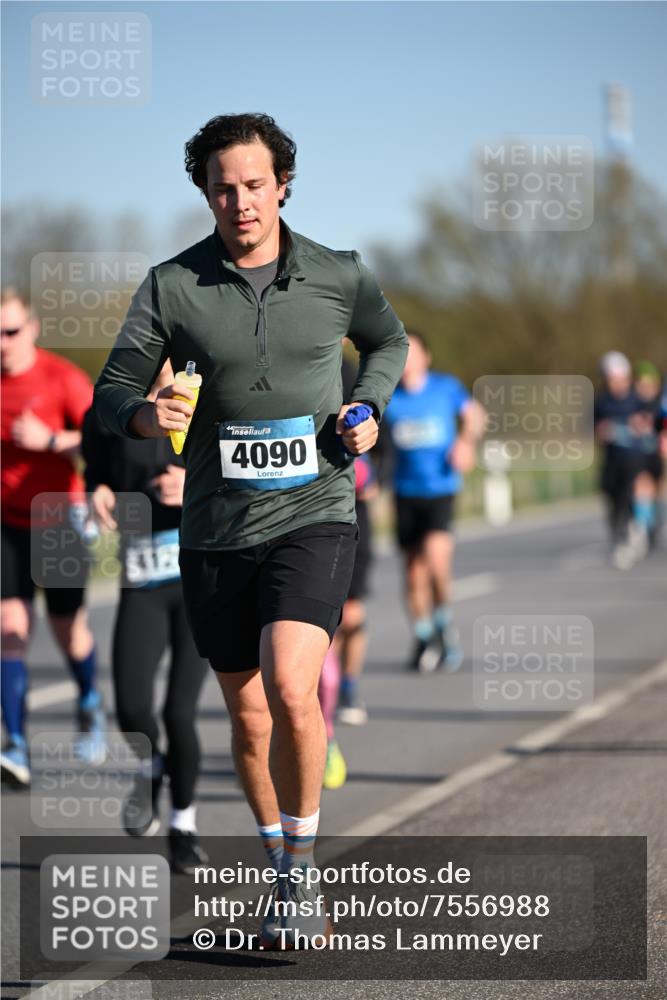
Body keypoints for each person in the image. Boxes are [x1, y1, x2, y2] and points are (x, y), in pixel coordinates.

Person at [92, 113, 408, 946]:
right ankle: (279, 869)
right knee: (249, 717)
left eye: (255, 185)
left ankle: (301, 880)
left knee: (290, 685)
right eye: (223, 188)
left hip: (314, 513)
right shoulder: (172, 285)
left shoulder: (337, 273)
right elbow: (112, 388)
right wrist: (142, 412)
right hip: (214, 530)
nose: (240, 202)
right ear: (205, 192)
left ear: (282, 185)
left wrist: (367, 405)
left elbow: (387, 338)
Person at [82, 361, 209, 874]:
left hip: (199, 578)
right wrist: (98, 489)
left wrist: (195, 485)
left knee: (180, 712)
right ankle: (151, 766)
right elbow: (97, 467)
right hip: (141, 577)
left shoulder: (209, 403)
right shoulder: (114, 406)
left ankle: (183, 824)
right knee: (133, 708)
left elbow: (241, 481)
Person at [1, 287, 105, 786]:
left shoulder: (61, 378)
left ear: (33, 327)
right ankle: (16, 746)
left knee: (69, 631)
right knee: (10, 630)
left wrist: (51, 441)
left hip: (60, 522)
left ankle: (89, 699)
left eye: (11, 331)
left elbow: (105, 438)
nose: (2, 343)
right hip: (6, 524)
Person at [381, 331, 485, 672]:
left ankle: (444, 623)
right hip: (404, 490)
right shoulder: (388, 395)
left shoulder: (445, 387)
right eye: (403, 353)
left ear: (427, 357)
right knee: (412, 573)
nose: (408, 359)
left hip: (440, 487)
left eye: (414, 352)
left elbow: (474, 415)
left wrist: (466, 442)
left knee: (437, 561)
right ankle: (425, 636)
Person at [335, 357, 378, 726]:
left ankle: (348, 684)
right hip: (307, 515)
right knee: (320, 623)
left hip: (354, 515)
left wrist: (376, 474)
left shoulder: (354, 374)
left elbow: (387, 439)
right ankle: (322, 700)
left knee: (350, 615)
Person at [594, 351, 647, 569]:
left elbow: (655, 423)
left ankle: (630, 534)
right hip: (611, 458)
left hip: (633, 457)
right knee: (611, 497)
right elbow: (592, 427)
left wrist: (641, 425)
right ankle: (617, 537)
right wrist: (601, 431)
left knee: (628, 496)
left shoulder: (637, 400)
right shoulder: (602, 402)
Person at [631, 360, 664, 551]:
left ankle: (654, 524)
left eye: (650, 384)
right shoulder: (633, 404)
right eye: (642, 384)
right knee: (642, 486)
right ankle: (642, 527)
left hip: (657, 455)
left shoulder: (661, 404)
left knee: (657, 491)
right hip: (639, 455)